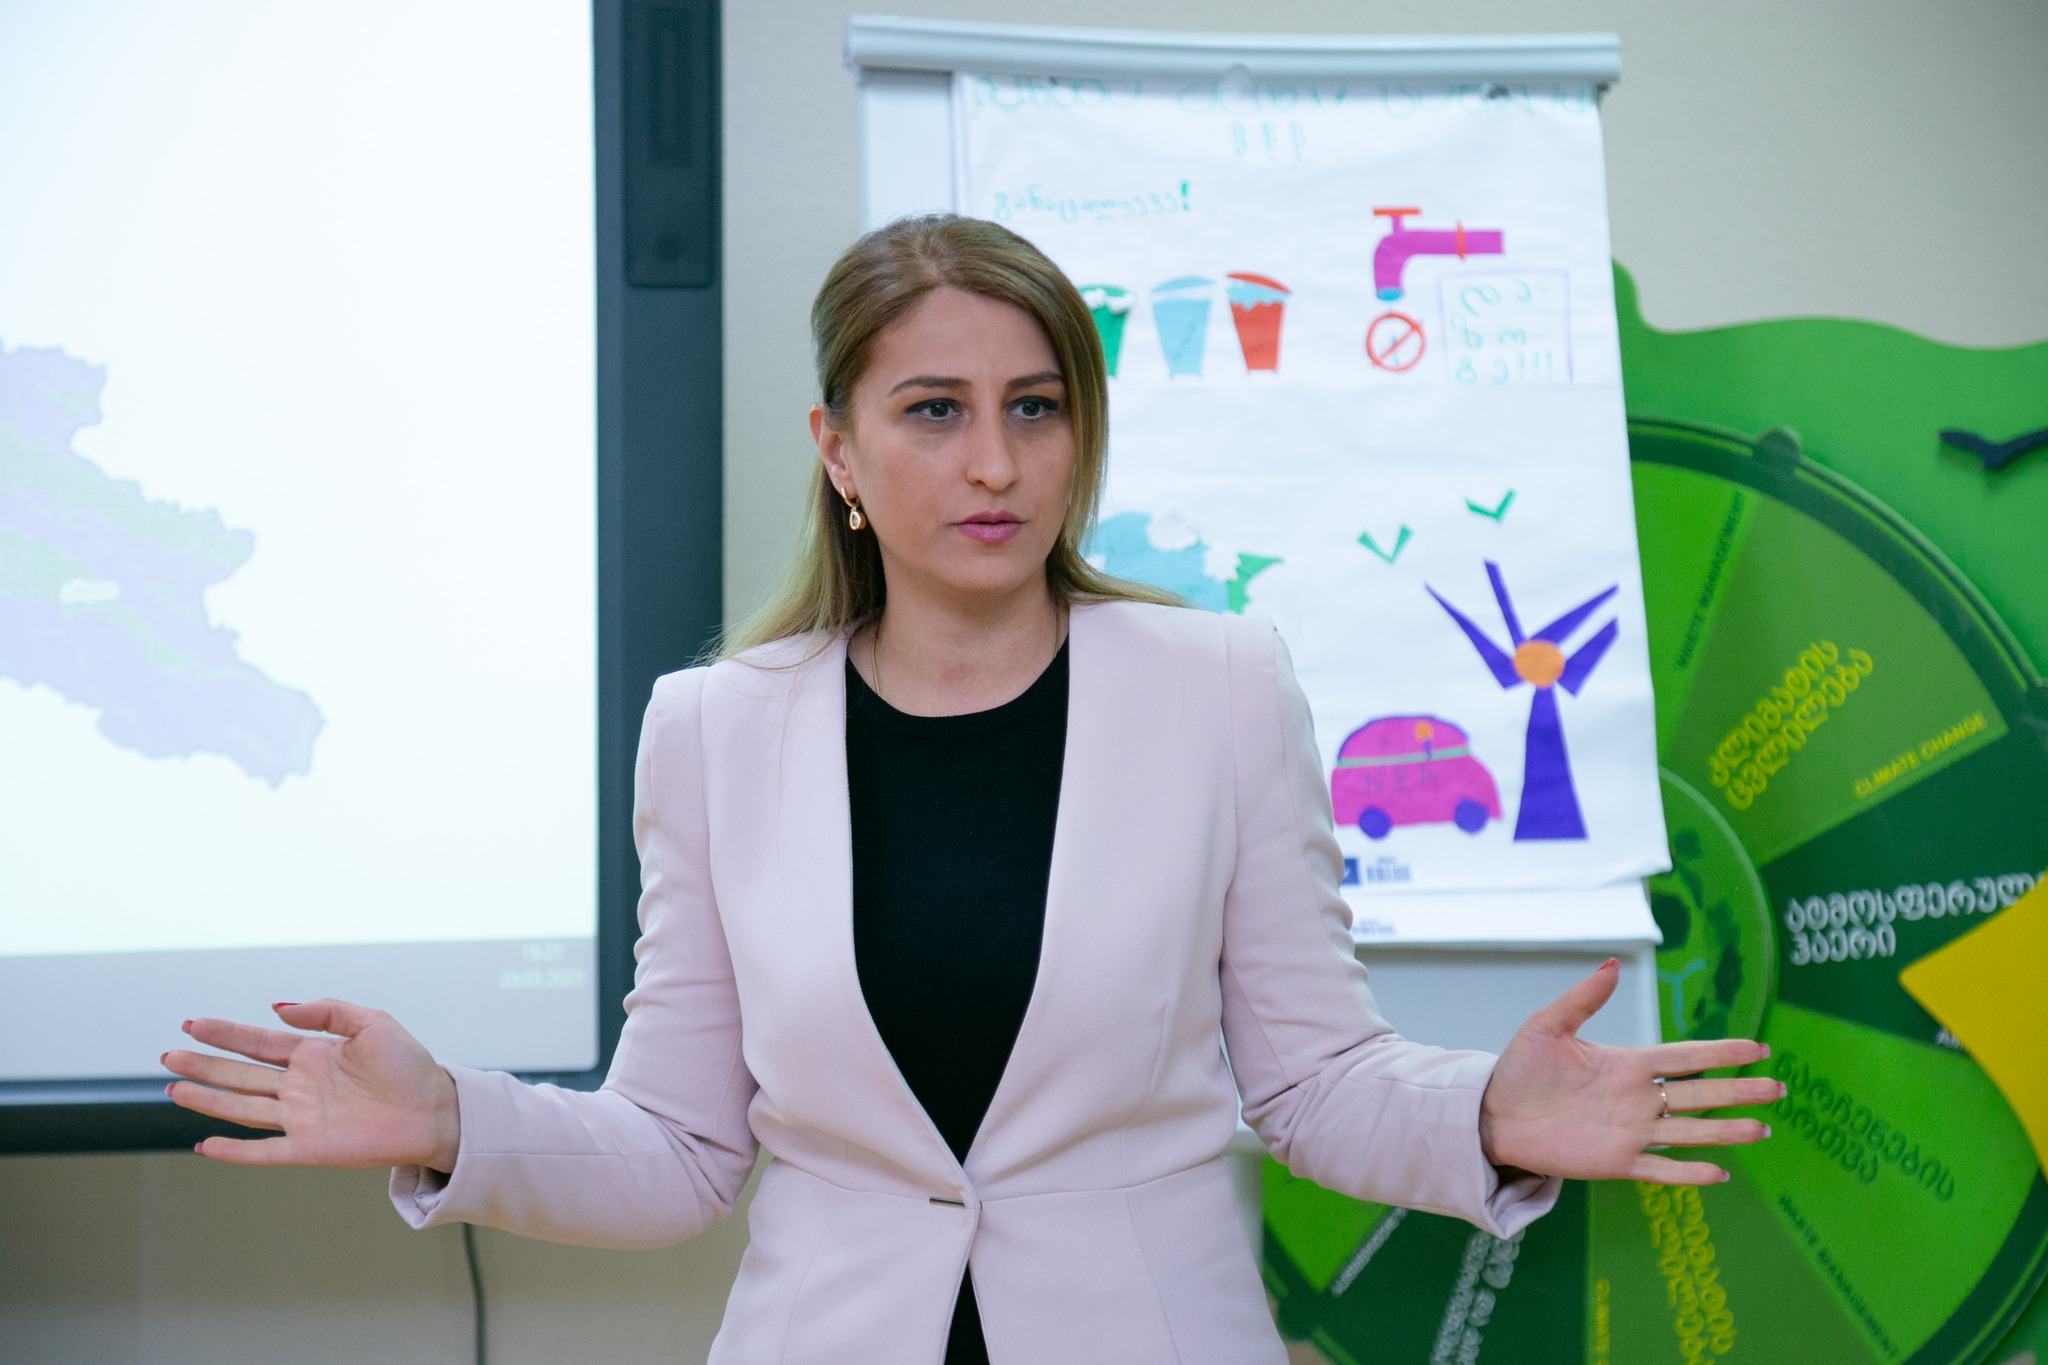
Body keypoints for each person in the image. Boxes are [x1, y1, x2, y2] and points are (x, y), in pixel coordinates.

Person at [163, 214, 1780, 1365]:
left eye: (1034, 408)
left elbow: (1312, 1082)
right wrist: (456, 1118)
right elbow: (676, 1147)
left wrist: (1483, 1111)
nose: (993, 462)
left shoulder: (1221, 686)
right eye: (933, 412)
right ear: (839, 449)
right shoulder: (714, 729)